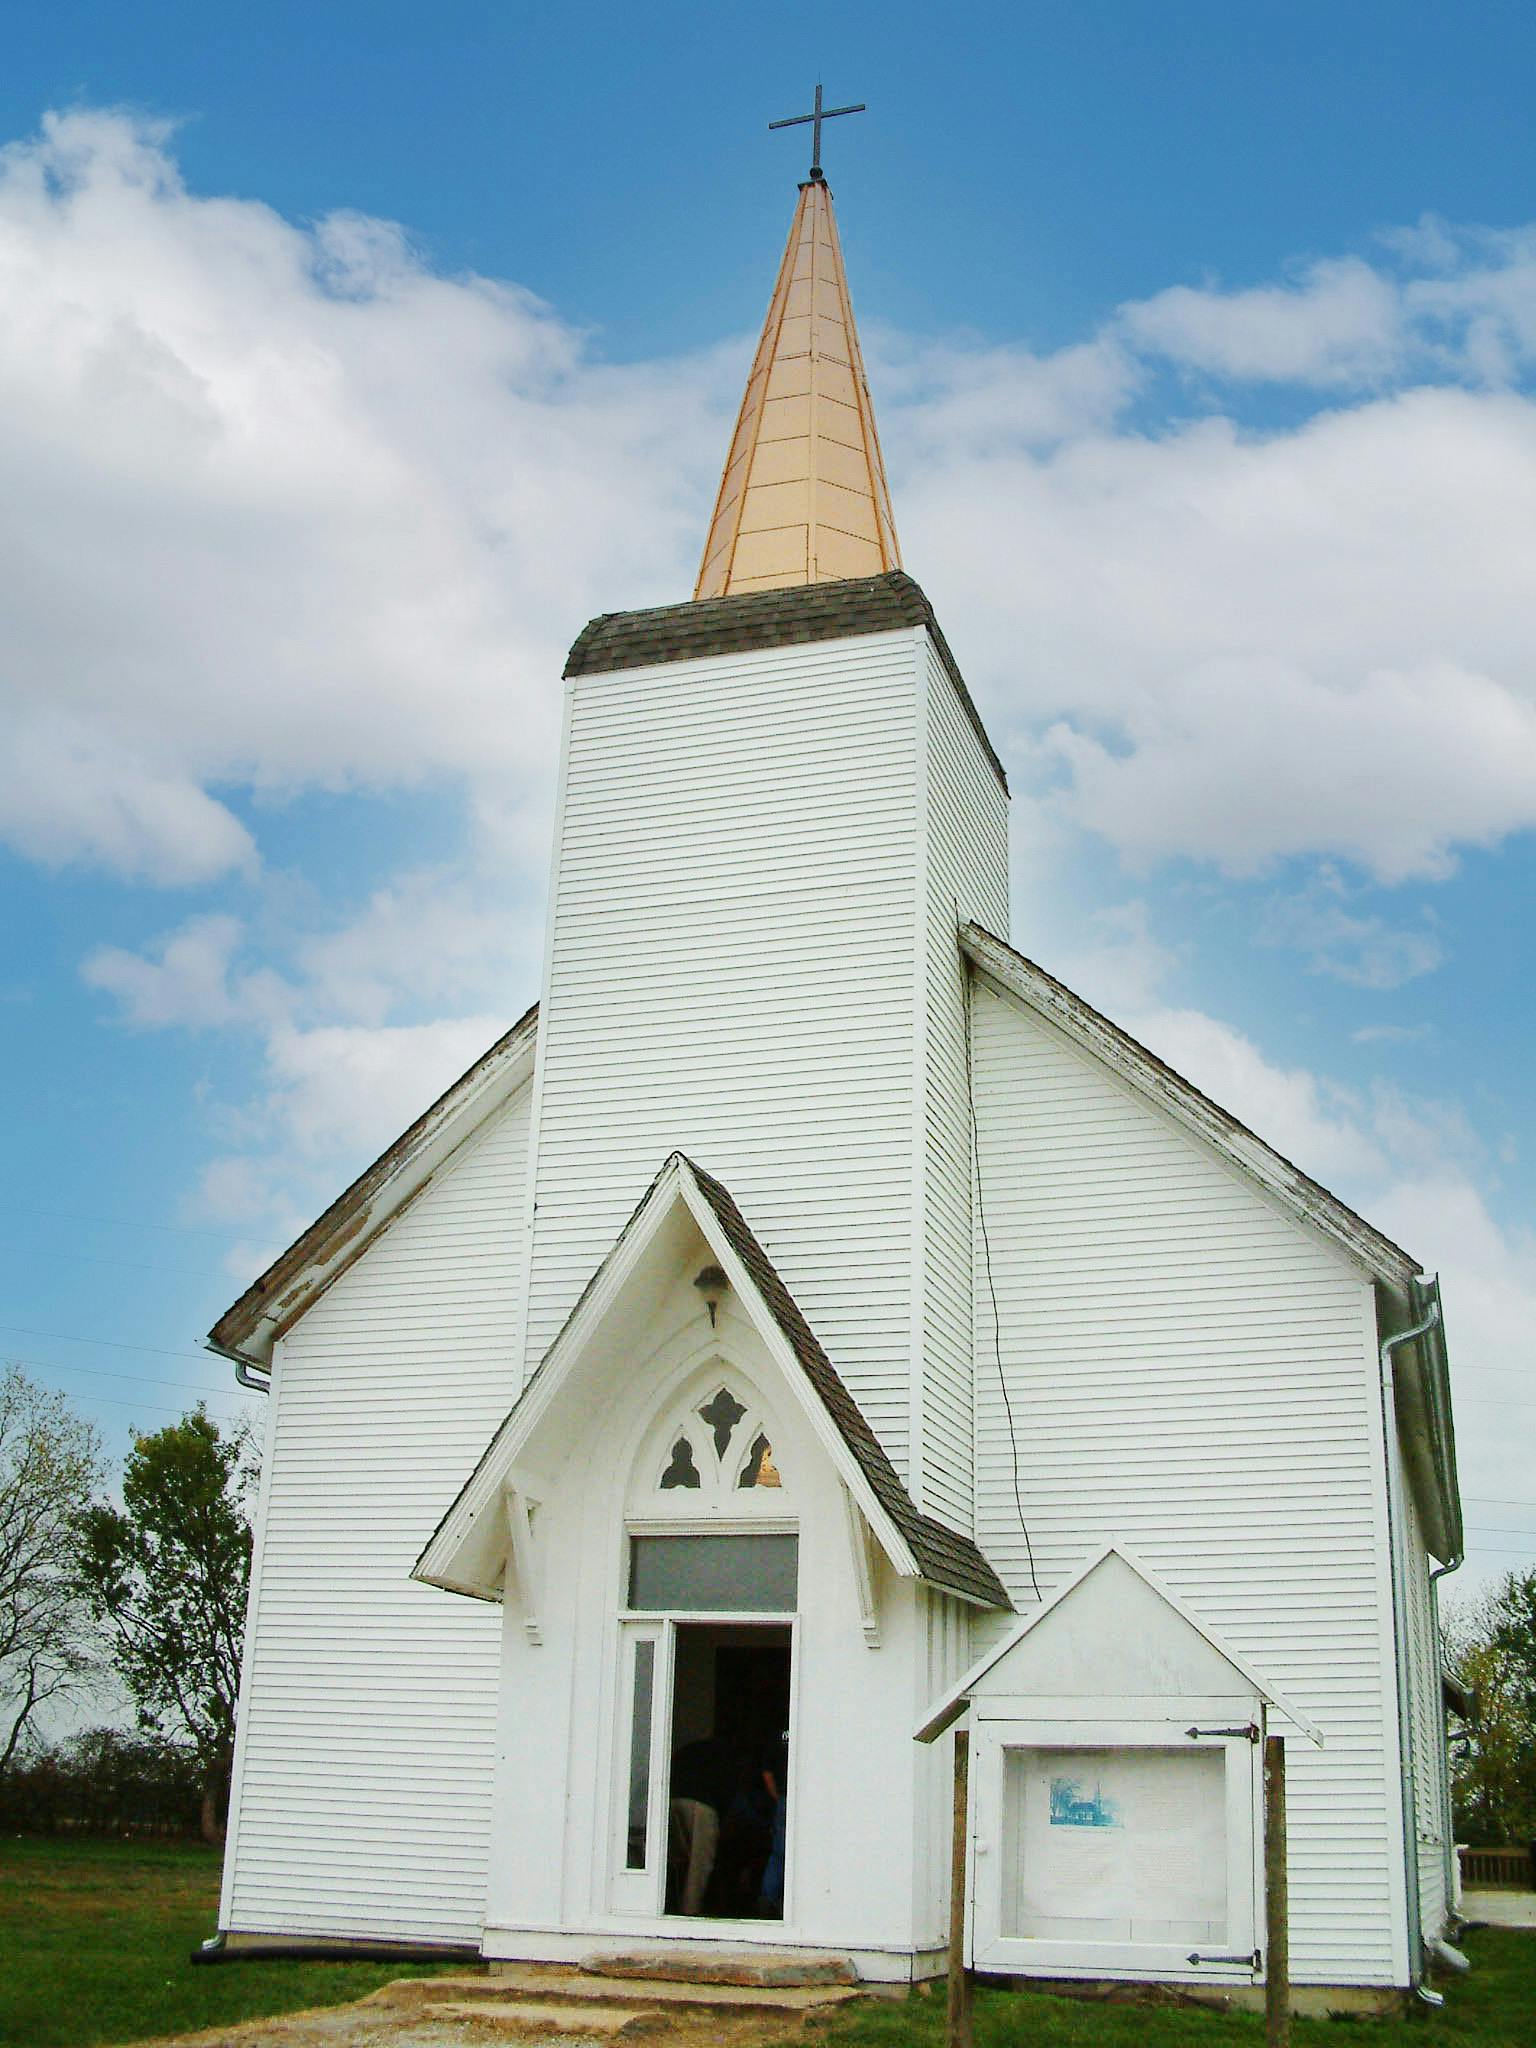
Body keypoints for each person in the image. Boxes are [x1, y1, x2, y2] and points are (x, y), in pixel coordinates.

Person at [667, 1734, 739, 1915]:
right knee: (700, 1864)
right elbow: (728, 1797)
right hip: (702, 1804)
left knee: (676, 1859)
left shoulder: (693, 1748)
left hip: (672, 1797)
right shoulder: (729, 1759)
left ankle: (667, 1906)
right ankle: (689, 1912)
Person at [757, 1733, 789, 1916]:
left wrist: (776, 1797)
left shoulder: (777, 1739)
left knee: (779, 1853)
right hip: (803, 1799)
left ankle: (768, 1900)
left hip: (784, 1799)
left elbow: (767, 1773)